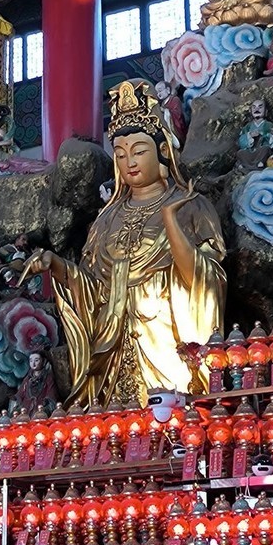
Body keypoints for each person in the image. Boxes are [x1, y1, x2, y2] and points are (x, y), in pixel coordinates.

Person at [19, 79, 226, 406]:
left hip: (166, 340)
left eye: (139, 151)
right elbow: (93, 290)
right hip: (113, 348)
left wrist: (171, 221)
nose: (129, 162)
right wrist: (57, 266)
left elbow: (206, 280)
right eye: (120, 154)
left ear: (162, 151)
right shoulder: (106, 219)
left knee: (171, 410)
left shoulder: (190, 205)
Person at [11, 349, 59, 416]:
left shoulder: (47, 378)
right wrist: (17, 399)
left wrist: (46, 403)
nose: (33, 363)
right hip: (26, 407)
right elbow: (20, 393)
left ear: (43, 361)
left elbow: (51, 394)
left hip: (40, 407)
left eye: (36, 360)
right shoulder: (27, 379)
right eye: (31, 360)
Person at [235, 99, 273, 171]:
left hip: (261, 150)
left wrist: (272, 135)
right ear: (251, 111)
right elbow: (241, 140)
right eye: (254, 107)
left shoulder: (268, 125)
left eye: (260, 107)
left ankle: (260, 163)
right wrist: (249, 135)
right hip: (250, 150)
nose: (257, 109)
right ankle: (246, 165)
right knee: (240, 152)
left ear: (266, 111)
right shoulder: (248, 126)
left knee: (265, 149)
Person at [155, 81, 187, 148]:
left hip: (177, 128)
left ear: (168, 90)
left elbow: (178, 114)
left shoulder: (175, 100)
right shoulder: (163, 104)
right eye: (157, 92)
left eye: (160, 91)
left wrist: (166, 111)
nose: (158, 94)